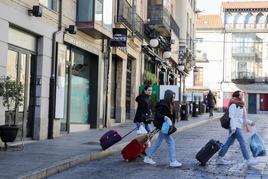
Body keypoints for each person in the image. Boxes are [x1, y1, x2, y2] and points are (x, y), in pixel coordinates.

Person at [217, 90, 260, 166]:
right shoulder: (233, 104)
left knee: (228, 143)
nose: (242, 96)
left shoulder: (240, 105)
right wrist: (233, 128)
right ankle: (248, 159)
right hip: (235, 127)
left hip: (236, 126)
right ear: (237, 95)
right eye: (241, 94)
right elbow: (232, 117)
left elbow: (240, 118)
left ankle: (219, 158)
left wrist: (250, 122)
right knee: (242, 142)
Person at [144, 90, 182, 167]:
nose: (173, 98)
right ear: (168, 96)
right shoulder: (162, 104)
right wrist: (165, 117)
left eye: (174, 97)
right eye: (172, 97)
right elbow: (158, 115)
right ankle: (173, 161)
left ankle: (148, 157)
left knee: (158, 142)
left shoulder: (169, 104)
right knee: (171, 142)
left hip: (165, 126)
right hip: (164, 126)